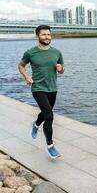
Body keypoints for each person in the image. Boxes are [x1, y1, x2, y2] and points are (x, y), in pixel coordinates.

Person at [18, 25, 64, 159]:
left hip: (53, 88)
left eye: (48, 34)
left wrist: (60, 68)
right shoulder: (30, 53)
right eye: (44, 35)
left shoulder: (57, 52)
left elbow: (62, 70)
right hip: (38, 88)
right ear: (37, 36)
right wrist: (26, 76)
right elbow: (21, 65)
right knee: (49, 115)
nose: (47, 37)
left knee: (45, 113)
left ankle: (36, 124)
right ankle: (50, 147)